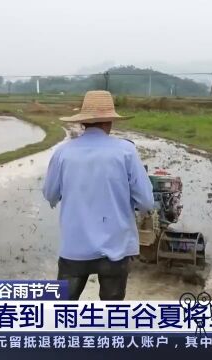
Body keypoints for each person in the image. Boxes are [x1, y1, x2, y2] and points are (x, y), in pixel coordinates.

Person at [42, 90, 155, 300]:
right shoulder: (126, 152)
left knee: (61, 312)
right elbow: (147, 201)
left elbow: (50, 194)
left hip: (75, 248)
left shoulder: (63, 152)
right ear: (109, 122)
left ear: (84, 123)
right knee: (111, 317)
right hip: (115, 250)